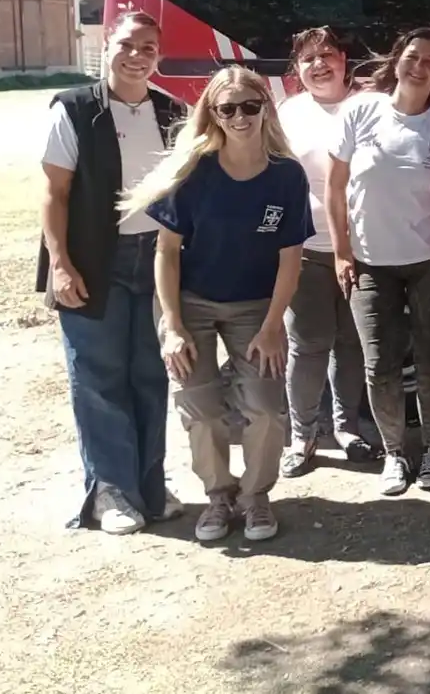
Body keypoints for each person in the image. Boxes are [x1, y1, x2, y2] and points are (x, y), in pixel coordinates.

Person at [122, 66, 312, 543]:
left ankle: (255, 497)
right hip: (191, 304)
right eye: (227, 108)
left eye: (250, 105)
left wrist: (273, 327)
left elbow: (291, 260)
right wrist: (172, 324)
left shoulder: (286, 176)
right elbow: (166, 252)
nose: (240, 116)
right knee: (201, 409)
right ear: (213, 113)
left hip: (256, 308)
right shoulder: (195, 172)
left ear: (265, 108)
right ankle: (219, 496)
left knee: (266, 410)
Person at [38, 10, 185, 534]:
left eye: (148, 47)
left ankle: (149, 485)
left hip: (157, 259)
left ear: (158, 57)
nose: (137, 55)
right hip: (92, 259)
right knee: (99, 379)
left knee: (150, 374)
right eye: (127, 44)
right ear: (107, 46)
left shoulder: (173, 114)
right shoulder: (74, 110)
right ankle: (110, 493)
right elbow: (55, 195)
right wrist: (60, 263)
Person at [327, 28, 430, 495]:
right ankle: (395, 454)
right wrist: (340, 250)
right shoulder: (360, 110)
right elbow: (334, 188)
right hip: (370, 263)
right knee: (380, 365)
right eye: (412, 56)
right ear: (397, 61)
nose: (419, 65)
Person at [275, 27, 375, 477]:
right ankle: (303, 436)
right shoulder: (288, 113)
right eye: (308, 58)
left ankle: (347, 427)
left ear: (344, 58)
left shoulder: (370, 105)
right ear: (297, 69)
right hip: (308, 246)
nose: (319, 65)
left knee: (352, 343)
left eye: (327, 55)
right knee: (309, 343)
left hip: (366, 246)